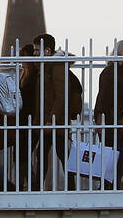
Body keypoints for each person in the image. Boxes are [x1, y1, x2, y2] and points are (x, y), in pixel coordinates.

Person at [19, 33, 82, 190]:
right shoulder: (45, 66)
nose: (34, 54)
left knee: (60, 154)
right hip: (47, 121)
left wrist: (51, 120)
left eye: (37, 50)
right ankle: (40, 186)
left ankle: (63, 187)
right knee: (48, 154)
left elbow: (62, 95)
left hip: (54, 122)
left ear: (47, 51)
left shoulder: (56, 66)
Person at [93, 39, 123, 187]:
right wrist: (100, 119)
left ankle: (110, 186)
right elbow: (103, 98)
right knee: (116, 156)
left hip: (116, 120)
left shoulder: (122, 72)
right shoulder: (112, 72)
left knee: (120, 154)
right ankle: (109, 187)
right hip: (111, 121)